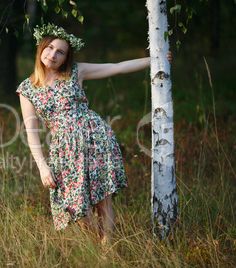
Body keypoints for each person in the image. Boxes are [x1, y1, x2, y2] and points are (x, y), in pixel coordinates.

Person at [16, 23, 171, 244]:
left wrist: (156, 60)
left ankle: (107, 254)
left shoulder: (75, 72)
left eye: (60, 52)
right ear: (41, 49)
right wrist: (42, 166)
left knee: (102, 202)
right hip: (64, 149)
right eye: (49, 48)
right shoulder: (27, 89)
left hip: (95, 138)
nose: (53, 55)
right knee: (76, 207)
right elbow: (31, 132)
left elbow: (117, 67)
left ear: (66, 57)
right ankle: (99, 244)